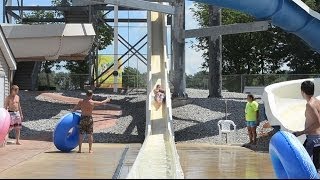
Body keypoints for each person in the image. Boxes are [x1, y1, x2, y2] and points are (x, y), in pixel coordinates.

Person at [293, 80, 320, 161]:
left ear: (302, 91)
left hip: (313, 139)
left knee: (308, 165)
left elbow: (318, 123)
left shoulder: (310, 104)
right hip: (315, 138)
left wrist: (301, 132)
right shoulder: (317, 101)